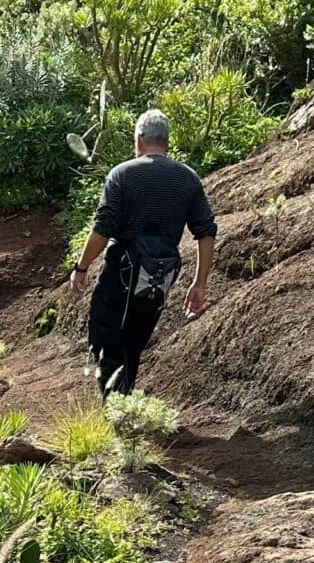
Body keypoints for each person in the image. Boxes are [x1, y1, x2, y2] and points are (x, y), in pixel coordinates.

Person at [70, 108, 217, 397]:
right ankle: (124, 398)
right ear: (167, 142)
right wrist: (199, 283)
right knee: (136, 337)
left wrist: (82, 267)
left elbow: (103, 229)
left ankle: (116, 408)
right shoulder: (188, 178)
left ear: (139, 139)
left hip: (122, 270)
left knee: (105, 332)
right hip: (160, 274)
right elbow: (206, 231)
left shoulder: (122, 175)